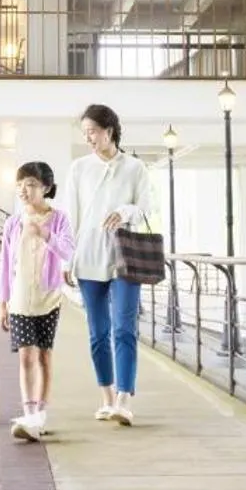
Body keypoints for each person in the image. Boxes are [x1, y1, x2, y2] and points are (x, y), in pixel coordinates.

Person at [62, 103, 155, 426]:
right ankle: (106, 397)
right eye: (85, 133)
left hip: (124, 257)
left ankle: (124, 399)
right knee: (98, 333)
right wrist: (67, 259)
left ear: (109, 131)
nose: (88, 138)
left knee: (124, 328)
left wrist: (125, 211)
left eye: (93, 132)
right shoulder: (79, 168)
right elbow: (70, 217)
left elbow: (145, 208)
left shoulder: (134, 167)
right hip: (88, 256)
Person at [0, 160, 74, 441]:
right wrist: (3, 302)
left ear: (46, 188)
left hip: (48, 298)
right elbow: (5, 264)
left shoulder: (59, 219)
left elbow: (68, 251)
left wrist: (45, 233)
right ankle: (29, 414)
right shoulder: (12, 223)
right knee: (26, 355)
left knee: (43, 355)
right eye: (19, 185)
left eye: (30, 184)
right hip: (19, 299)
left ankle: (40, 413)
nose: (23, 190)